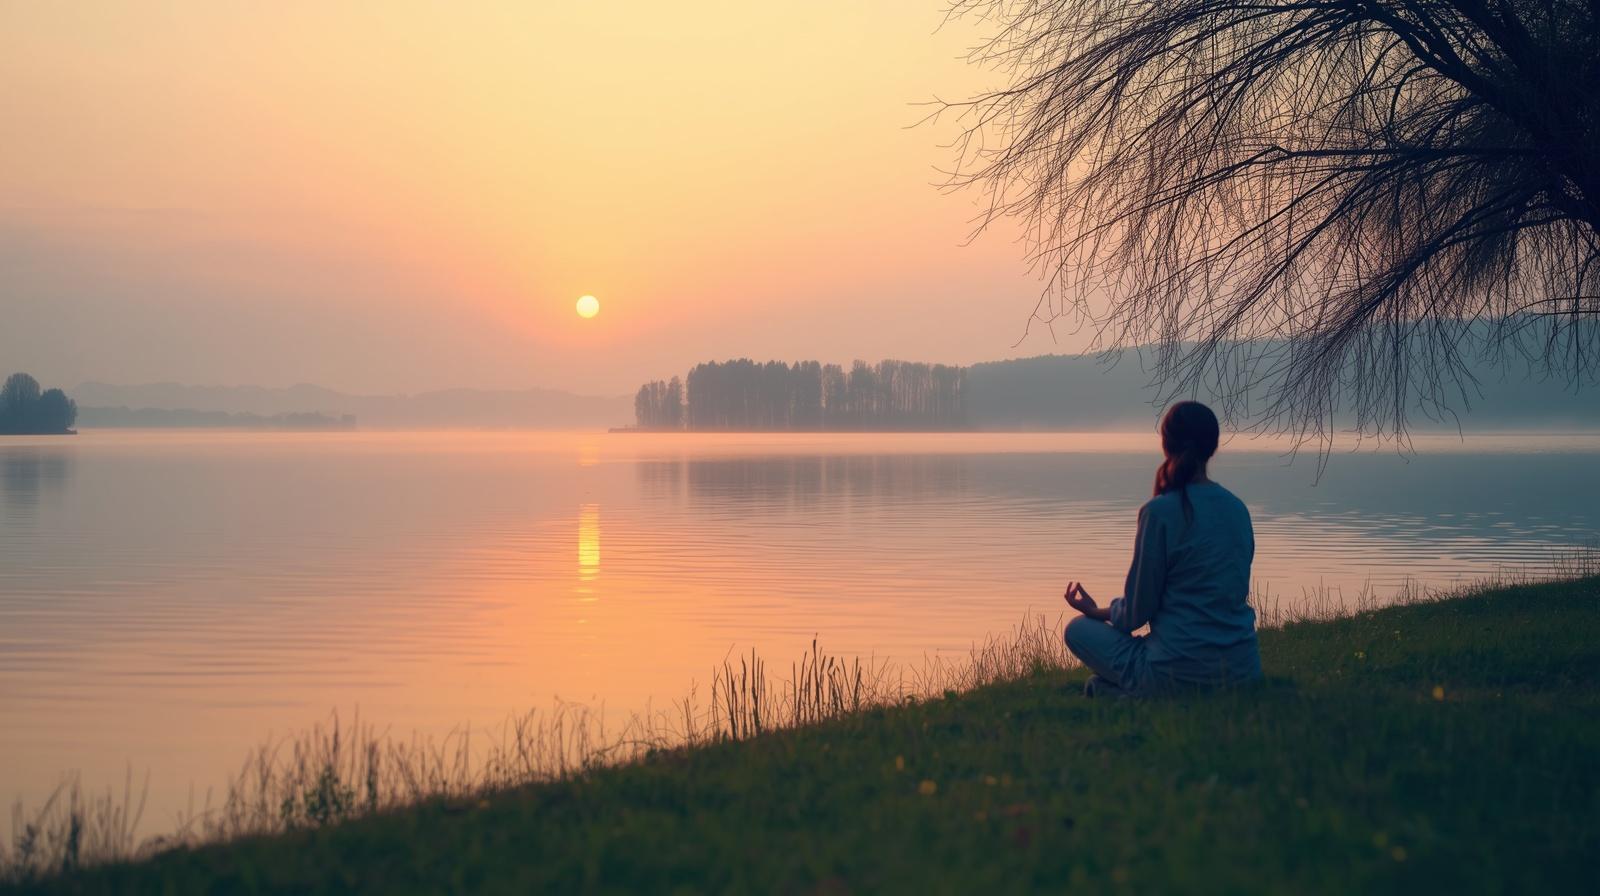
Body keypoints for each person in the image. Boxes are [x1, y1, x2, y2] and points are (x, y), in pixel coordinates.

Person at [1063, 401, 1261, 697]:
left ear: (1166, 445)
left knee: (1077, 629)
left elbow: (1136, 613)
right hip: (1241, 670)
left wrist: (1095, 612)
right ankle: (1119, 691)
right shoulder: (1237, 509)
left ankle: (1135, 693)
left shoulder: (1159, 512)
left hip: (1175, 670)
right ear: (1212, 447)